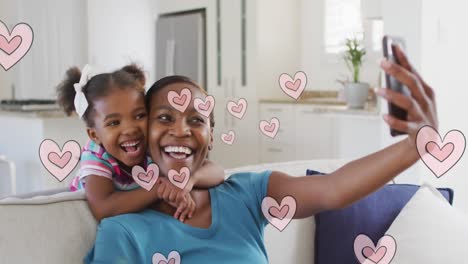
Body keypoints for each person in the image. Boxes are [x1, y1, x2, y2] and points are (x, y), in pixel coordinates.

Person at [85, 45, 438, 263]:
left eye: (197, 120)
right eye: (165, 118)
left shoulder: (248, 193)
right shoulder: (122, 229)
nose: (181, 130)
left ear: (210, 140)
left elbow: (333, 190)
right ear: (143, 136)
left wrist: (414, 146)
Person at [56, 64, 225, 222]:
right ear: (95, 135)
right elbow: (103, 208)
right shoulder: (96, 156)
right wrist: (159, 190)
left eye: (139, 116)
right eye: (114, 123)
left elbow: (217, 171)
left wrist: (187, 182)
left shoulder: (148, 146)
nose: (130, 129)